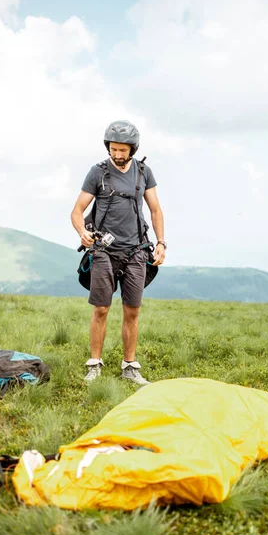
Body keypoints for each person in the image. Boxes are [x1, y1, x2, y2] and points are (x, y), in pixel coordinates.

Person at [71, 120, 166, 386]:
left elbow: (156, 210)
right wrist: (82, 232)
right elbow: (77, 211)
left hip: (137, 250)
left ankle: (129, 366)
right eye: (114, 149)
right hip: (103, 251)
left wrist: (161, 243)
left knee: (132, 310)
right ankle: (95, 365)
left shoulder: (144, 172)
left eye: (123, 150)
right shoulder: (97, 173)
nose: (118, 155)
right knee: (101, 309)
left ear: (133, 149)